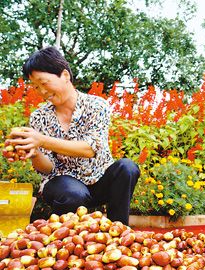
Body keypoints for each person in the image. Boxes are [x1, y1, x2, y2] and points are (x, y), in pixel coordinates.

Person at [6, 46, 140, 225]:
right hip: (63, 185)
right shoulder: (39, 116)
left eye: (44, 83)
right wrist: (35, 152)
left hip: (99, 180)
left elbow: (90, 149)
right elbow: (47, 169)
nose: (42, 92)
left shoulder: (96, 105)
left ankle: (120, 232)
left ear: (65, 76)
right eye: (36, 87)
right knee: (72, 193)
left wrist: (42, 140)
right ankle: (66, 240)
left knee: (127, 168)